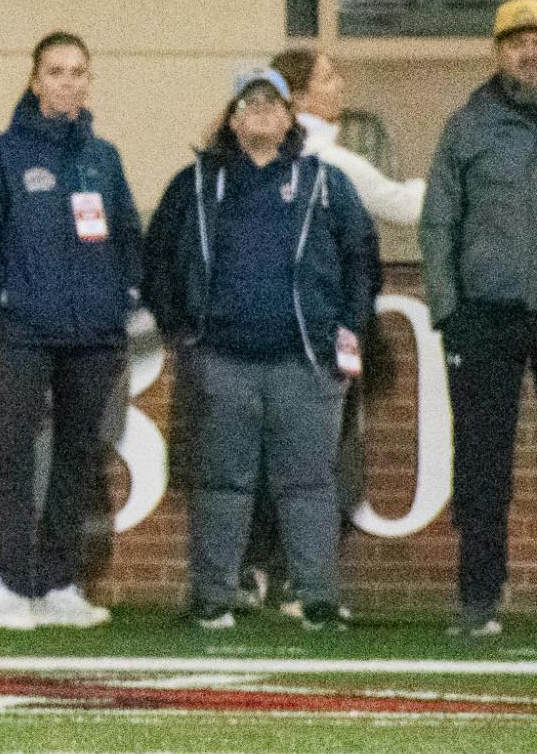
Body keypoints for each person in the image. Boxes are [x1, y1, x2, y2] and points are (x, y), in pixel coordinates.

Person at [143, 66, 378, 633]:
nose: (261, 114)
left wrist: (348, 328)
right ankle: (212, 598)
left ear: (290, 116)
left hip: (305, 361)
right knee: (223, 483)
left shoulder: (324, 182)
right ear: (231, 117)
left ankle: (316, 598)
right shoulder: (197, 185)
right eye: (248, 104)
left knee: (309, 484)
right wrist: (181, 329)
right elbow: (157, 260)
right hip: (221, 359)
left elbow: (361, 261)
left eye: (271, 104)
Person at [0, 31, 140, 631]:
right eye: (56, 71)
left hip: (93, 336)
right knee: (12, 455)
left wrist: (124, 294)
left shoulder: (101, 157)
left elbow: (129, 237)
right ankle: (8, 583)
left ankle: (59, 582)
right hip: (25, 332)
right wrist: (5, 294)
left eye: (79, 71)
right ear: (35, 81)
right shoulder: (1, 155)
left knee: (77, 459)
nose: (68, 81)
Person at [238, 47, 420, 619]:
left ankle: (255, 571)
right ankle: (298, 578)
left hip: (263, 334)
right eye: (328, 77)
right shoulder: (327, 158)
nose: (341, 85)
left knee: (262, 458)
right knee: (321, 461)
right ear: (298, 96)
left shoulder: (259, 158)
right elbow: (403, 207)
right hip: (316, 336)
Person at [419, 0, 537, 637]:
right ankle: (478, 600)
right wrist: (448, 310)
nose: (530, 50)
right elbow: (439, 222)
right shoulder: (468, 126)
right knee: (483, 463)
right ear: (497, 52)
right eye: (517, 41)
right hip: (484, 317)